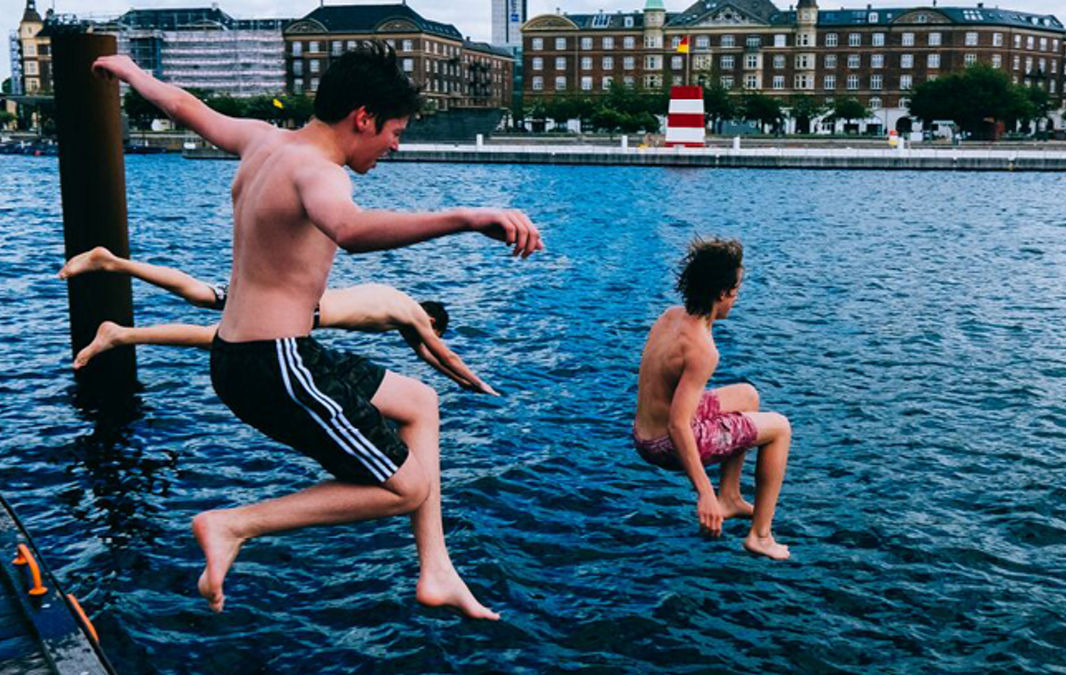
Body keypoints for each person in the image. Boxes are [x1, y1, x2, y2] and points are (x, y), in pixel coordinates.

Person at [91, 41, 543, 619]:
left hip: (256, 353)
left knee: (421, 401)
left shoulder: (262, 139)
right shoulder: (318, 172)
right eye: (394, 130)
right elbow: (350, 229)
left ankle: (436, 570)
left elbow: (183, 105)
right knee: (406, 487)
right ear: (363, 117)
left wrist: (130, 71)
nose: (395, 145)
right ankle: (233, 525)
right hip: (274, 361)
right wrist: (468, 217)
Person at [60, 247, 498, 395]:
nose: (427, 337)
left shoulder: (400, 307)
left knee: (208, 316)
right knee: (206, 317)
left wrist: (458, 381)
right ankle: (113, 278)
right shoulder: (411, 314)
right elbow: (440, 354)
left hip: (294, 306)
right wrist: (477, 384)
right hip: (295, 312)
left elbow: (429, 357)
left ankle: (120, 327)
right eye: (432, 330)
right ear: (433, 319)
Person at [632, 238, 792, 560]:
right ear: (721, 294)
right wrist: (704, 492)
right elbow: (679, 425)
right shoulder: (703, 349)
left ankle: (730, 497)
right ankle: (760, 535)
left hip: (644, 430)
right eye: (736, 291)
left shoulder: (671, 316)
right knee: (780, 428)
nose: (737, 298)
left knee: (748, 395)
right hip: (664, 442)